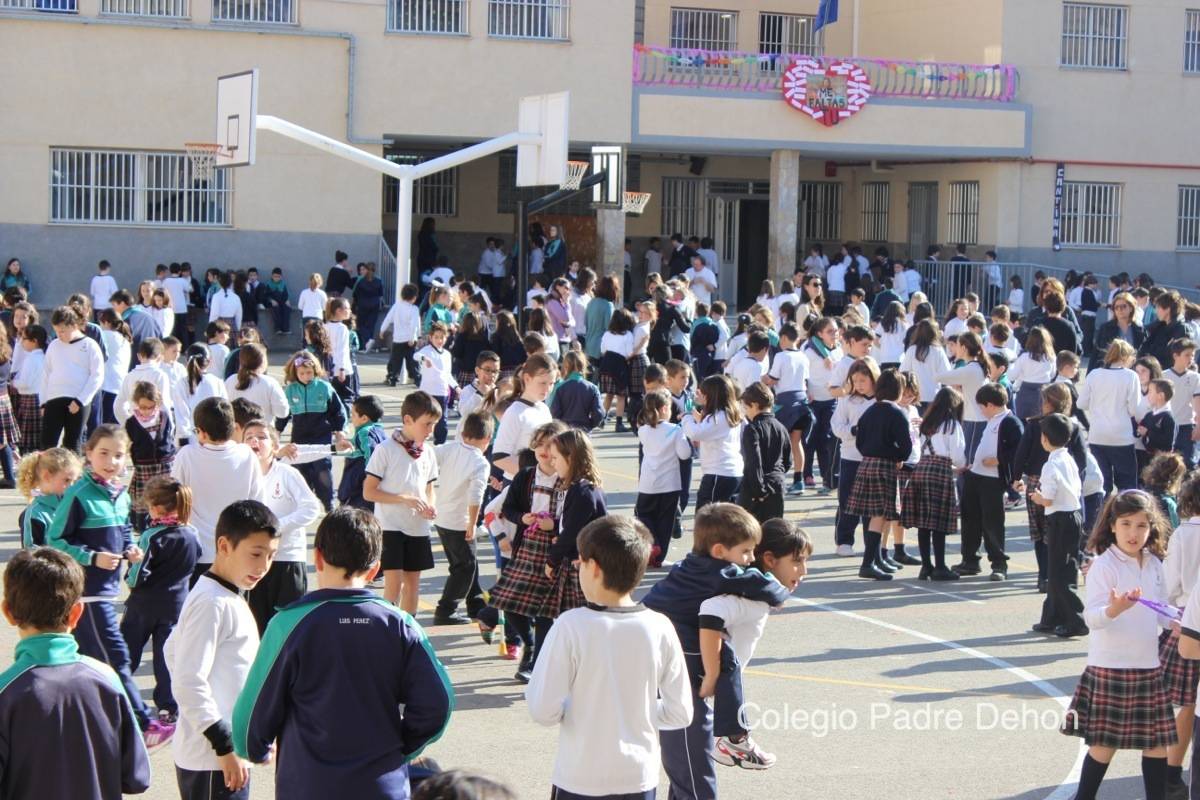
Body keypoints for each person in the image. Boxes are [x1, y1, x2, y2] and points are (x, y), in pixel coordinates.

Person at [232, 506, 453, 797]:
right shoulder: (400, 624)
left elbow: (249, 721)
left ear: (318, 557)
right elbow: (438, 704)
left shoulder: (289, 623)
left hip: (307, 785)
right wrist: (403, 744)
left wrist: (256, 750)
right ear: (375, 569)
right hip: (380, 784)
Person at [526, 515, 691, 800]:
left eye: (579, 562)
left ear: (594, 567)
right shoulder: (660, 626)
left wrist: (581, 710)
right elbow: (681, 712)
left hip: (580, 775)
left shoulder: (570, 626)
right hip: (638, 775)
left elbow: (543, 709)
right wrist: (636, 712)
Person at [644, 504, 792, 795]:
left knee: (688, 764)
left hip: (658, 638)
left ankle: (733, 737)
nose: (750, 560)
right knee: (725, 664)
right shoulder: (721, 572)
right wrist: (781, 591)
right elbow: (766, 588)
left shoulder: (692, 562)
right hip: (674, 648)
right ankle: (734, 736)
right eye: (746, 551)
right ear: (720, 551)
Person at [45, 425, 173, 746]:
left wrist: (130, 548)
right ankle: (144, 722)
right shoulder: (78, 494)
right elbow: (55, 540)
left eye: (118, 455)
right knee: (115, 656)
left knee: (85, 661)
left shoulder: (120, 493)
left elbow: (125, 529)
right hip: (86, 595)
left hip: (106, 591)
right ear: (88, 454)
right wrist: (91, 557)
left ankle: (81, 722)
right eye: (103, 453)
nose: (111, 461)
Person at [0, 547, 151, 798]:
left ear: (8, 612)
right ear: (76, 613)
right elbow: (137, 777)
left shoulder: (6, 692)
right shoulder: (108, 680)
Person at [1062, 491, 1176, 800]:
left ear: (1152, 528)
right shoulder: (1104, 565)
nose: (1133, 533)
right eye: (1126, 524)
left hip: (1148, 667)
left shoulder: (1153, 563)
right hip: (1111, 667)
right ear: (1112, 526)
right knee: (1104, 744)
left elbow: (1161, 608)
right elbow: (1092, 618)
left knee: (1156, 743)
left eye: (1141, 525)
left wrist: (1177, 622)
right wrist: (1115, 609)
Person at [166, 500, 279, 800]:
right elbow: (188, 681)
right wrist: (223, 743)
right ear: (224, 545)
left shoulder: (224, 595)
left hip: (222, 756)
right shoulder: (212, 602)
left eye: (271, 556)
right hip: (213, 761)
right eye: (255, 554)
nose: (263, 566)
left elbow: (171, 650)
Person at [701, 519, 809, 769]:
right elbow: (710, 611)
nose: (804, 571)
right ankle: (733, 739)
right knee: (697, 780)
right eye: (797, 561)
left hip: (691, 696)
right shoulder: (751, 601)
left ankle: (731, 739)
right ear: (769, 560)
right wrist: (712, 672)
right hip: (689, 695)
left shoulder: (753, 593)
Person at [489, 420, 570, 681]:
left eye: (550, 446)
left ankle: (534, 663)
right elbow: (508, 508)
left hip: (555, 549)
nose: (545, 452)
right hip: (526, 547)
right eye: (539, 445)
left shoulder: (569, 478)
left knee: (546, 610)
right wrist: (522, 518)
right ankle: (529, 641)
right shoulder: (526, 476)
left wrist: (554, 525)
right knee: (507, 601)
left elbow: (576, 517)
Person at [121, 476, 201, 725]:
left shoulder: (151, 537)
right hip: (176, 604)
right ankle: (168, 706)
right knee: (166, 657)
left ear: (156, 508)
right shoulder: (191, 533)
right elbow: (195, 561)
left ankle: (118, 694)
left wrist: (130, 569)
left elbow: (137, 576)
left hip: (144, 605)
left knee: (126, 652)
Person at [241, 420, 322, 635]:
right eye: (248, 437)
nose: (254, 440)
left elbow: (311, 508)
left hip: (287, 560)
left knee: (288, 628)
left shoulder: (286, 474)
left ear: (275, 447)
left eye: (261, 436)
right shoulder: (241, 478)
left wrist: (276, 527)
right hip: (253, 563)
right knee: (257, 629)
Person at [364, 391, 441, 614]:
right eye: (427, 424)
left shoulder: (428, 453)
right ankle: (389, 629)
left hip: (417, 527)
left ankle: (409, 629)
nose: (430, 430)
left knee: (413, 584)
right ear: (408, 420)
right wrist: (402, 499)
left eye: (434, 424)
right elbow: (369, 492)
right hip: (390, 526)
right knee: (394, 584)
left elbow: (428, 489)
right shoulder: (385, 450)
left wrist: (430, 505)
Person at [171, 398, 266, 576]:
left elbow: (174, 499)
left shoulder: (187, 455)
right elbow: (258, 502)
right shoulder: (247, 455)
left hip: (197, 551)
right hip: (236, 549)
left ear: (202, 432)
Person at [845, 369, 913, 580]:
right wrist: (897, 456)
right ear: (899, 390)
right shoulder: (896, 412)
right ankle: (868, 563)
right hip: (885, 466)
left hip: (867, 463)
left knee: (877, 516)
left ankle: (875, 560)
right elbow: (905, 446)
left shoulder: (870, 411)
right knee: (879, 515)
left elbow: (859, 440)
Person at [954, 383, 1023, 581]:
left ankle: (999, 564)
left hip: (992, 480)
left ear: (991, 405)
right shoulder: (992, 420)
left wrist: (999, 460)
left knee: (992, 522)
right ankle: (970, 560)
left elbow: (1018, 450)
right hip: (976, 475)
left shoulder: (1010, 422)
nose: (981, 411)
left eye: (982, 406)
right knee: (970, 520)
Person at [430, 411, 492, 625]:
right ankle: (446, 610)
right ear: (487, 439)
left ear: (464, 433)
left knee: (467, 563)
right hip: (460, 520)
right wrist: (473, 523)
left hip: (442, 517)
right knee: (463, 567)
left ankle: (475, 604)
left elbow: (428, 455)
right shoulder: (480, 463)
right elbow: (476, 497)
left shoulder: (449, 448)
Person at [1028, 413, 1086, 637]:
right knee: (1063, 568)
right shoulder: (1067, 458)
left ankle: (1076, 621)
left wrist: (1036, 497)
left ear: (1044, 438)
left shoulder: (1050, 465)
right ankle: (1051, 617)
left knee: (1058, 572)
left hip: (1060, 518)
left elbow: (1048, 498)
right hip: (1072, 515)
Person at [1161, 473, 1200, 795]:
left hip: (1186, 624)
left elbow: (1168, 586)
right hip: (1189, 620)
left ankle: (1172, 772)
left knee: (1186, 704)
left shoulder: (1184, 534)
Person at [902, 386, 965, 581]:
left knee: (923, 523)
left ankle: (926, 566)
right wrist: (961, 466)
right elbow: (957, 454)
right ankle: (940, 566)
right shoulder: (951, 425)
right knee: (938, 523)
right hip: (940, 472)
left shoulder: (926, 423)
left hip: (921, 470)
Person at [283, 350, 347, 510]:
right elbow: (283, 414)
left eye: (309, 372)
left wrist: (339, 431)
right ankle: (303, 503)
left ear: (315, 371)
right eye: (302, 373)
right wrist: (276, 431)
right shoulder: (290, 391)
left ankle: (328, 502)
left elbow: (337, 411)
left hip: (321, 436)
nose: (306, 376)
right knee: (300, 470)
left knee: (322, 467)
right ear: (295, 372)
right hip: (299, 437)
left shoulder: (324, 388)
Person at [636, 389, 693, 568]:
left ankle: (652, 545)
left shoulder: (643, 430)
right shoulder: (675, 430)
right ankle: (659, 556)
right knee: (665, 520)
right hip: (669, 483)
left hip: (648, 483)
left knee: (644, 515)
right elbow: (684, 454)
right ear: (663, 409)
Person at [1079, 339, 1142, 494]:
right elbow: (1135, 409)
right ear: (1126, 357)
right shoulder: (1131, 376)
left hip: (1097, 435)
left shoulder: (1094, 374)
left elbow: (1081, 404)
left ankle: (1103, 515)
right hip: (1122, 435)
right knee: (1127, 484)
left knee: (1103, 484)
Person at [40, 305, 104, 451]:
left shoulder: (90, 345)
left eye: (62, 331)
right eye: (56, 331)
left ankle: (73, 474)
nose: (59, 334)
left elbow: (97, 375)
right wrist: (43, 402)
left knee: (72, 442)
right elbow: (46, 374)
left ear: (74, 326)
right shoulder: (54, 345)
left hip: (78, 401)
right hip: (54, 399)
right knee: (47, 442)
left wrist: (81, 400)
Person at [831, 357, 878, 558]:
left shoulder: (881, 402)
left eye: (863, 381)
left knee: (871, 503)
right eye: (855, 381)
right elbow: (837, 427)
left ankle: (872, 542)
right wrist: (854, 430)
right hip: (850, 456)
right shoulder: (846, 400)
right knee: (847, 500)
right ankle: (844, 540)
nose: (858, 385)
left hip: (873, 458)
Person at [682, 374, 744, 509]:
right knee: (726, 517)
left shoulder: (718, 417)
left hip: (719, 473)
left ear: (712, 395)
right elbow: (710, 430)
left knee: (706, 516)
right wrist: (696, 415)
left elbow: (695, 433)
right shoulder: (729, 413)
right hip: (731, 472)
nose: (701, 396)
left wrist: (686, 415)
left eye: (704, 393)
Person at [738, 382, 790, 524]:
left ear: (754, 405)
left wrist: (759, 491)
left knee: (750, 534)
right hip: (777, 485)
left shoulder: (753, 429)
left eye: (745, 407)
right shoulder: (781, 427)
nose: (745, 411)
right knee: (773, 532)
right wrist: (777, 476)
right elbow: (787, 460)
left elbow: (754, 462)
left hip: (756, 489)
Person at [17, 447, 80, 549]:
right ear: (47, 476)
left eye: (74, 481)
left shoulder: (72, 505)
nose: (72, 486)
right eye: (67, 480)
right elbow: (31, 554)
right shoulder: (35, 514)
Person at [334, 394, 388, 510]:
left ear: (364, 418)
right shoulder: (380, 430)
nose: (351, 418)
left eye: (353, 415)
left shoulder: (364, 433)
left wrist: (370, 477)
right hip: (368, 485)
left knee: (353, 514)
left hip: (358, 484)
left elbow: (372, 455)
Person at [171, 344, 229, 445]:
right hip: (215, 437)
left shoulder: (182, 383)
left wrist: (183, 440)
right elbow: (226, 410)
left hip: (193, 439)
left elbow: (181, 415)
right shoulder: (217, 382)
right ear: (209, 361)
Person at [1162, 338, 1200, 469]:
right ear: (1175, 356)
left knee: (1188, 464)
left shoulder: (1195, 377)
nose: (1190, 358)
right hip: (1168, 426)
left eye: (1193, 355)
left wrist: (1198, 425)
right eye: (1187, 355)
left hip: (1187, 426)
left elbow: (1197, 401)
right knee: (1167, 465)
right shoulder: (1163, 376)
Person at [1008, 327, 1056, 421]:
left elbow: (1012, 376)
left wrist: (1011, 365)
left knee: (1021, 420)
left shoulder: (1025, 357)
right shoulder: (1051, 357)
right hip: (1044, 392)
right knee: (1041, 420)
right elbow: (1052, 375)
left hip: (1025, 391)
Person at [381, 283, 423, 387]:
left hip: (398, 339)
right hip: (410, 340)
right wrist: (417, 336)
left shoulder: (396, 306)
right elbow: (415, 324)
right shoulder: (414, 309)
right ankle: (417, 378)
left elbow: (388, 318)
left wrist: (382, 330)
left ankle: (393, 377)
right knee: (412, 361)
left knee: (395, 360)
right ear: (414, 297)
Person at [550, 350, 603, 432]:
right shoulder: (593, 388)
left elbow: (554, 412)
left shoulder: (559, 387)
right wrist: (590, 425)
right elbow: (599, 414)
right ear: (583, 365)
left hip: (564, 432)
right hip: (584, 431)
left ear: (566, 366)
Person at [1138, 379, 1177, 460]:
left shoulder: (1168, 417)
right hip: (1146, 456)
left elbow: (1168, 442)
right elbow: (1140, 428)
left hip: (1161, 461)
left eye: (1150, 392)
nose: (1147, 395)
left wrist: (1147, 433)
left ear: (1161, 396)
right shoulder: (1149, 415)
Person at [351, 262, 385, 350]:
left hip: (362, 305)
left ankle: (367, 341)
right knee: (371, 325)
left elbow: (355, 294)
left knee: (360, 325)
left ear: (366, 270)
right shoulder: (379, 281)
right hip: (375, 305)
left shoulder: (361, 281)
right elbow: (381, 294)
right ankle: (368, 344)